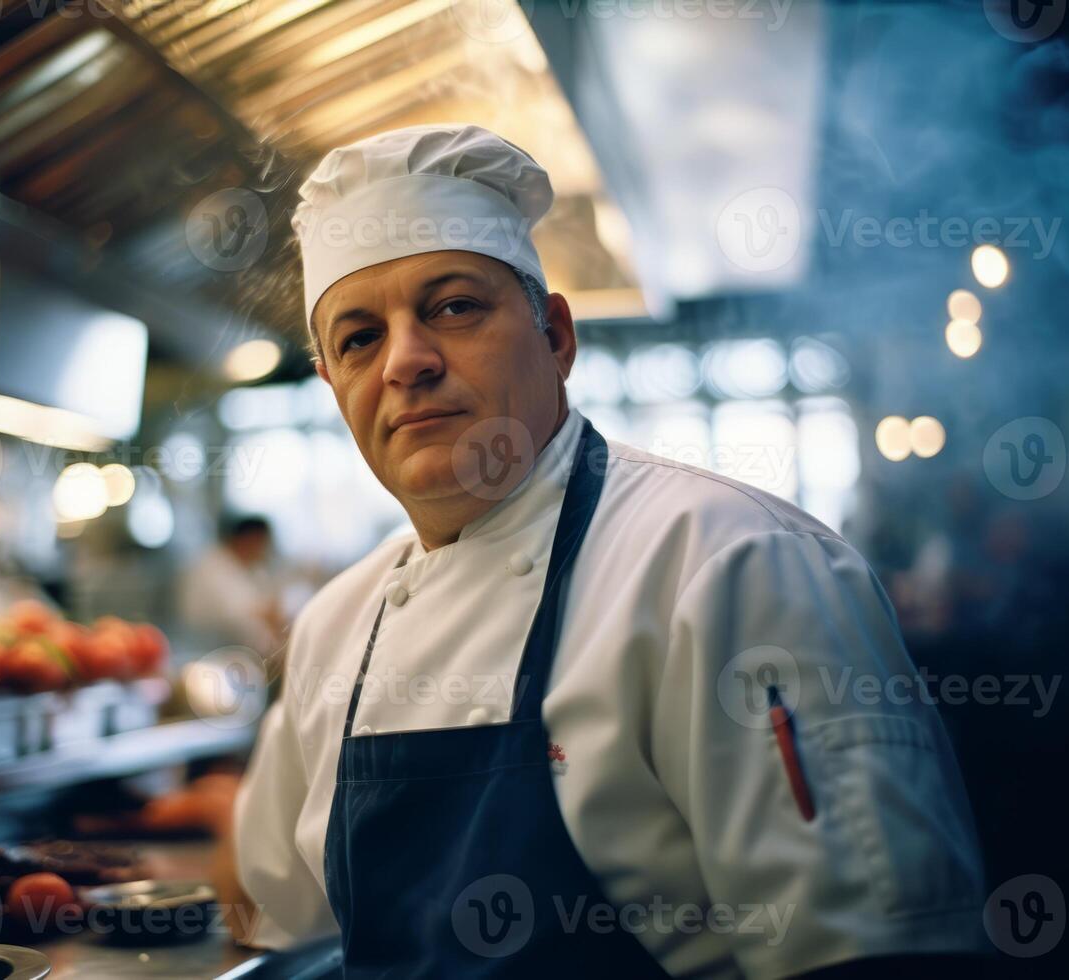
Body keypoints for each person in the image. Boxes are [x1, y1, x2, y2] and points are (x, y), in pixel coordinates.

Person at [187, 125, 989, 977]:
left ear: (556, 337)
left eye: (453, 307)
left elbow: (867, 951)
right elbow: (276, 917)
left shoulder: (730, 564)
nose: (406, 362)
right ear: (334, 386)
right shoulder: (334, 626)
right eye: (358, 338)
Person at [177, 515, 286, 660]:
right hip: (205, 654)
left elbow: (270, 608)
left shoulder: (253, 568)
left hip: (235, 654)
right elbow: (237, 615)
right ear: (249, 540)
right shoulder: (212, 566)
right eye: (263, 544)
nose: (264, 551)